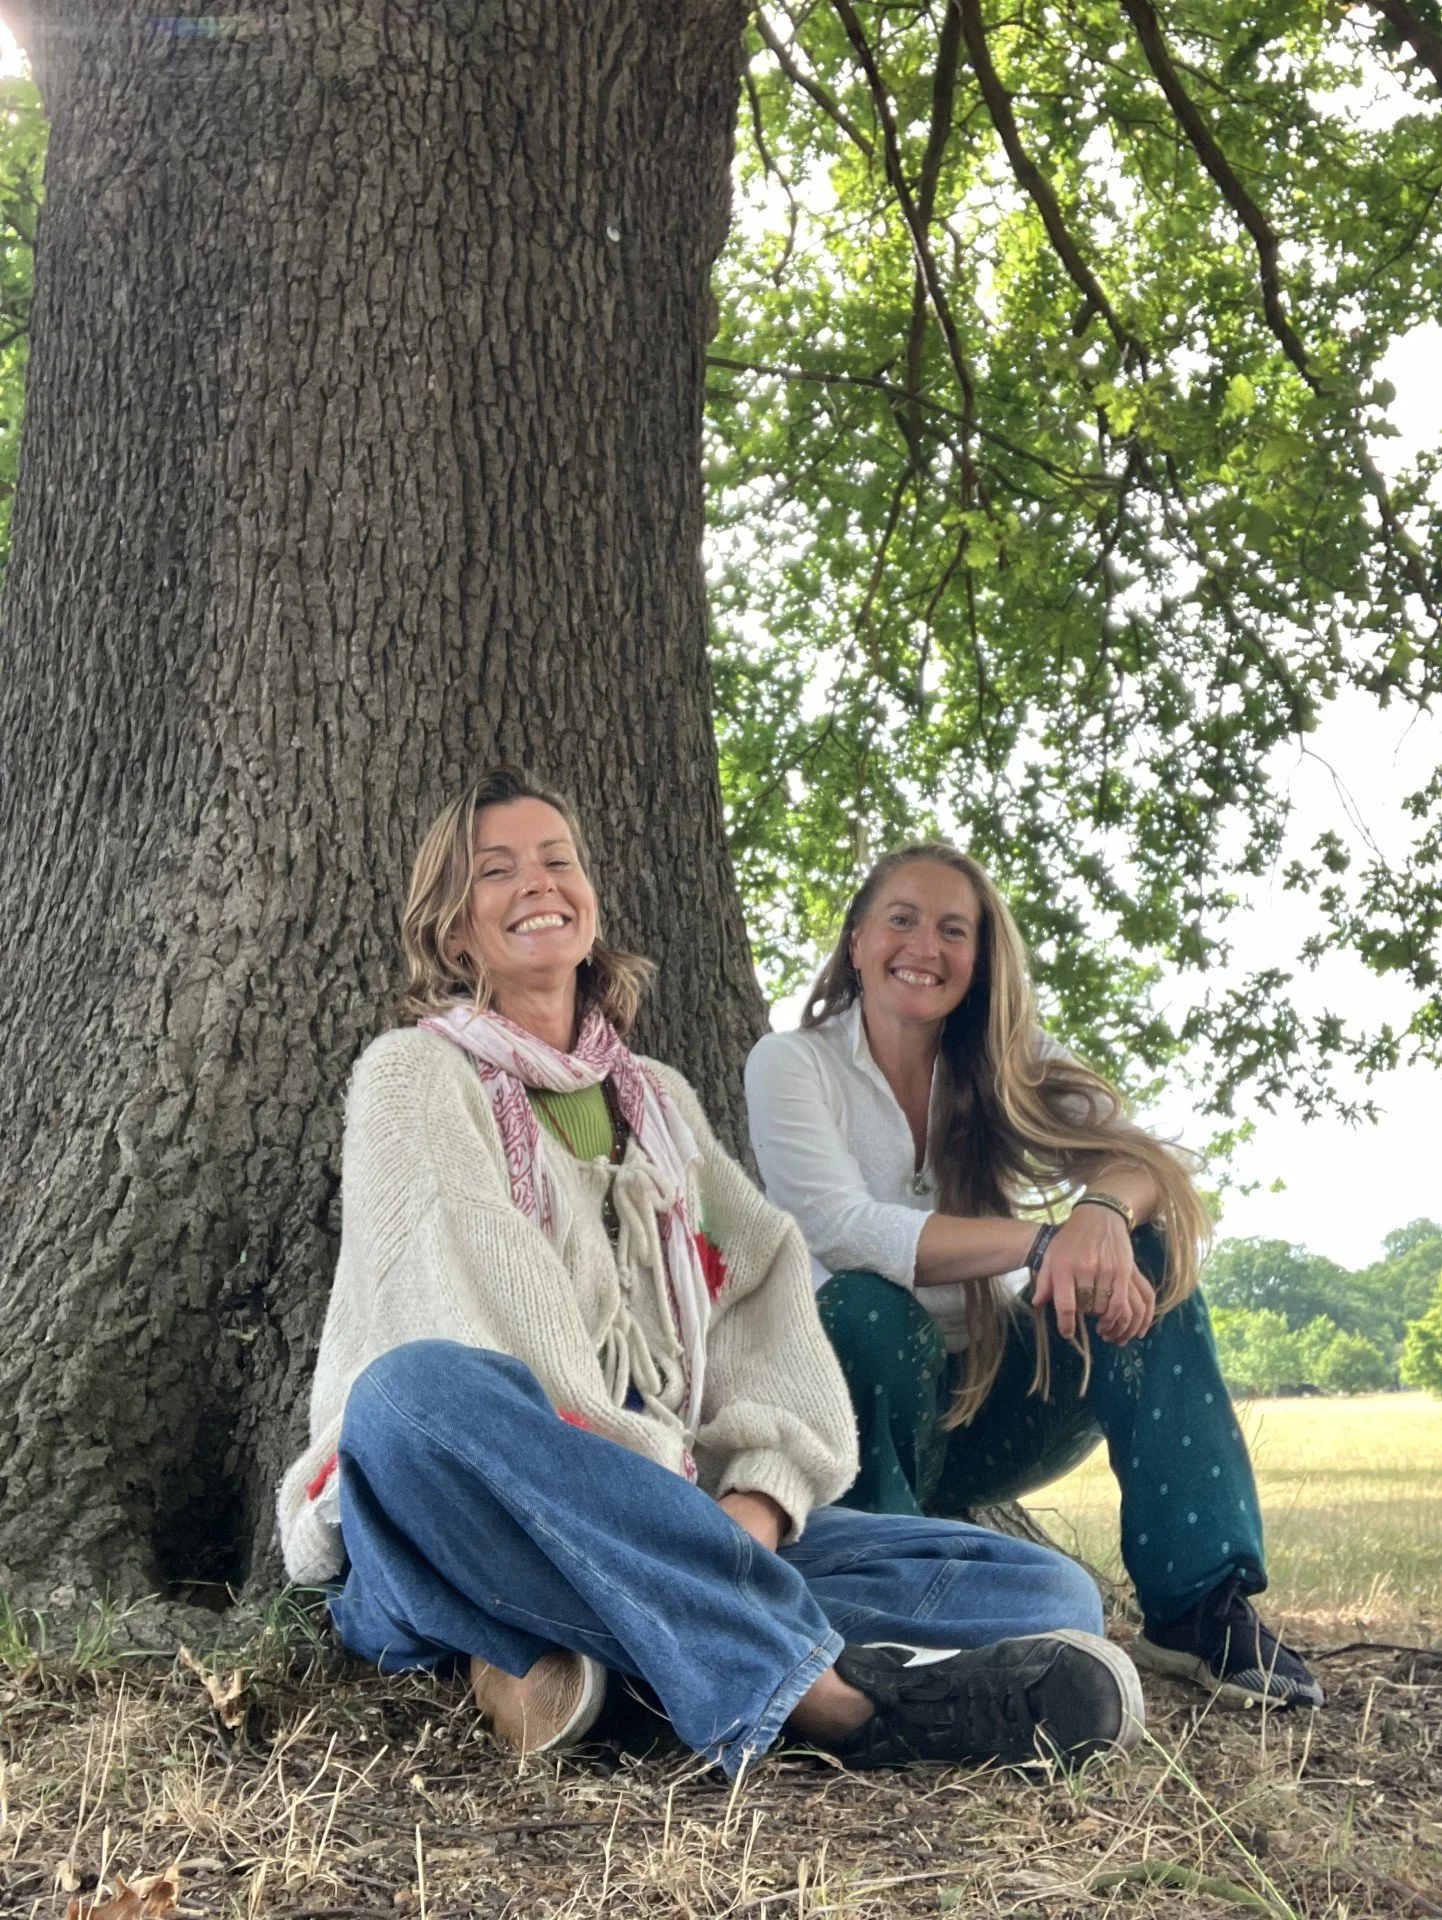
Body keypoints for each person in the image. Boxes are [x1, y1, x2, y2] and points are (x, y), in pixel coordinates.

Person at [278, 771, 1147, 1778]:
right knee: (411, 1395)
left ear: (590, 898)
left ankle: (606, 1669)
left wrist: (759, 1506)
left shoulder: (659, 1105)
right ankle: (827, 1703)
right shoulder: (412, 1073)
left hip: (688, 1517)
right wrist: (660, 1493)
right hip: (474, 1507)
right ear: (451, 927)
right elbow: (465, 1299)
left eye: (557, 860)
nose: (536, 883)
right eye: (495, 870)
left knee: (1046, 1595)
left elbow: (761, 1298)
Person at [744, 842, 1324, 1711]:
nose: (924, 947)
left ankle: (1198, 1609)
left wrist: (1098, 1218)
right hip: (852, 1415)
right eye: (902, 919)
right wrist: (1038, 1243)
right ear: (858, 939)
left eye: (953, 930)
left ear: (977, 963)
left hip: (994, 1406)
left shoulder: (1007, 1060)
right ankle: (884, 1619)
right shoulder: (792, 1064)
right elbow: (845, 1229)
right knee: (867, 1308)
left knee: (1150, 1256)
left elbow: (1151, 1166)